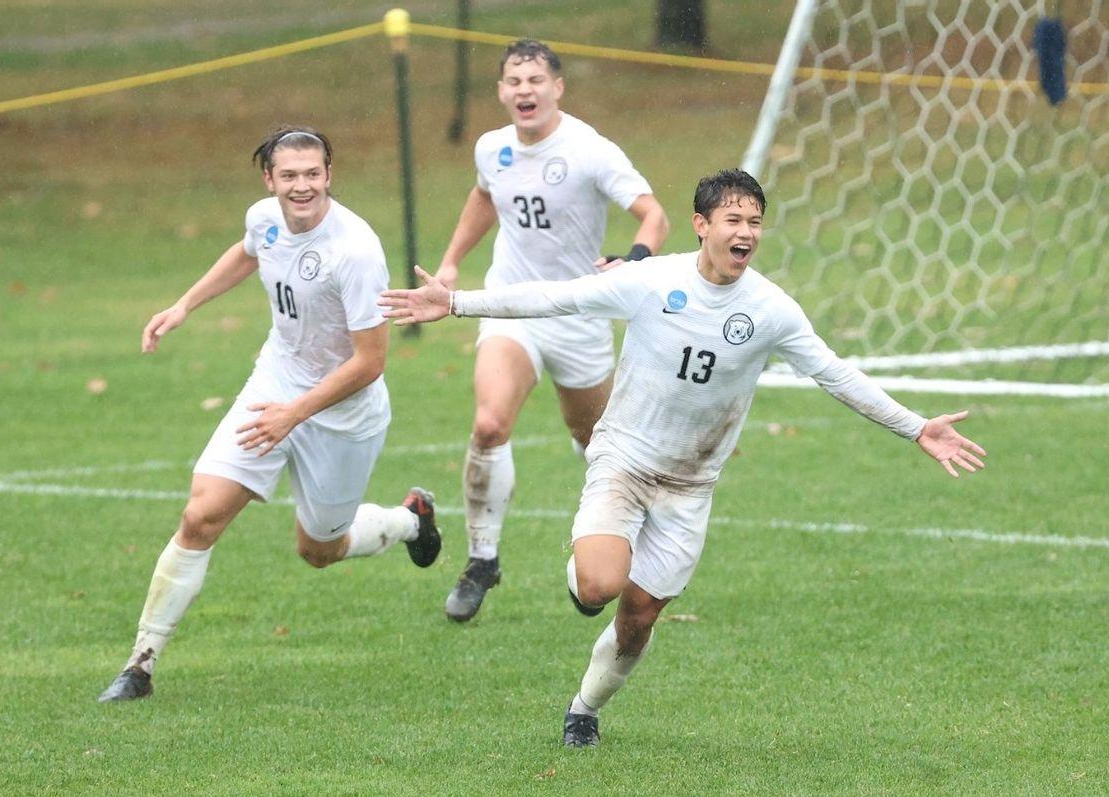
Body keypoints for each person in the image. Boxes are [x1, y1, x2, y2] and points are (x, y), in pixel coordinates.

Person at [379, 168, 987, 747]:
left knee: (638, 617)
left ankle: (583, 711)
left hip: (691, 486)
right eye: (732, 218)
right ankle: (587, 569)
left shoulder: (772, 310)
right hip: (622, 460)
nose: (745, 231)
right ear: (701, 224)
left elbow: (834, 374)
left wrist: (916, 429)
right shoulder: (650, 281)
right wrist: (456, 304)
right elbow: (559, 298)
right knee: (596, 587)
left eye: (755, 220)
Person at [97, 126, 442, 702]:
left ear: (329, 174)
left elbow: (371, 362)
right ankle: (140, 664)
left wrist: (294, 416)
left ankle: (410, 520)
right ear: (270, 179)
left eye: (313, 174)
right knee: (201, 515)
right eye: (289, 176)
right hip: (274, 383)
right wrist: (184, 305)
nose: (302, 186)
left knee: (318, 551)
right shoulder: (265, 216)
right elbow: (247, 251)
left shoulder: (355, 251)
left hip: (342, 413)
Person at [434, 38, 669, 622]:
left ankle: (606, 553)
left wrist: (635, 259)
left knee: (599, 445)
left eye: (536, 80)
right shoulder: (492, 148)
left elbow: (653, 213)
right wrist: (451, 262)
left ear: (557, 87)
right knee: (489, 424)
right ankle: (482, 559)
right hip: (510, 303)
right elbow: (485, 198)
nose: (525, 91)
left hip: (578, 314)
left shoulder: (589, 150)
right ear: (501, 92)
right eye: (514, 82)